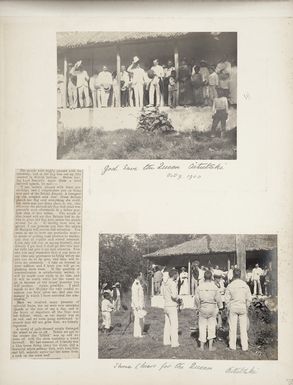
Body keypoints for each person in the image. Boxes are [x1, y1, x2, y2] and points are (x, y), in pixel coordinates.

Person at [194, 270, 223, 351]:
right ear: (211, 277)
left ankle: (201, 346)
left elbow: (196, 299)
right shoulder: (215, 287)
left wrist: (197, 308)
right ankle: (210, 347)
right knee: (211, 326)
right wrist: (220, 307)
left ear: (204, 277)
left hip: (203, 307)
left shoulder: (199, 287)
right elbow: (218, 299)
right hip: (212, 308)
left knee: (202, 326)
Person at [225, 267, 252, 351]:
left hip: (233, 306)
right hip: (242, 306)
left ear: (233, 275)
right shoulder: (245, 285)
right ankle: (245, 346)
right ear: (240, 275)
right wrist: (246, 306)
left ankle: (232, 346)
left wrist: (228, 307)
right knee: (243, 328)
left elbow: (226, 299)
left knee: (232, 327)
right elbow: (249, 298)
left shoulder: (230, 285)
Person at [161, 269, 181, 348]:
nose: (177, 276)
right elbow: (174, 296)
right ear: (174, 275)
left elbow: (163, 294)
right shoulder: (172, 283)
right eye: (177, 274)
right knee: (174, 325)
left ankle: (166, 341)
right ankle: (174, 343)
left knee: (167, 324)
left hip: (166, 305)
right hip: (172, 306)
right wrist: (179, 299)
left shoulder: (165, 283)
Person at [131, 272, 145, 338]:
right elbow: (135, 296)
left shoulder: (138, 283)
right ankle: (137, 334)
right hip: (137, 305)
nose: (142, 277)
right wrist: (137, 306)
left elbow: (141, 296)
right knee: (137, 319)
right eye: (141, 275)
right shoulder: (136, 284)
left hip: (140, 304)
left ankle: (140, 333)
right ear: (138, 276)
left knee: (141, 319)